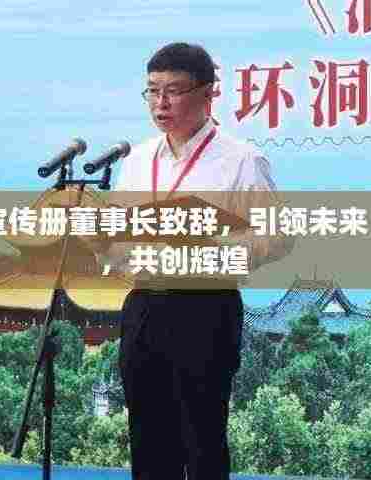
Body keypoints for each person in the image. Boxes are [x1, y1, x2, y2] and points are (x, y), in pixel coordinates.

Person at [112, 42, 280, 480]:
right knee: (147, 437)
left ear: (208, 94)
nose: (160, 103)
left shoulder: (241, 160)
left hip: (205, 307)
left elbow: (276, 236)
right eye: (152, 91)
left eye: (173, 91)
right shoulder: (137, 160)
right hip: (143, 305)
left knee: (201, 439)